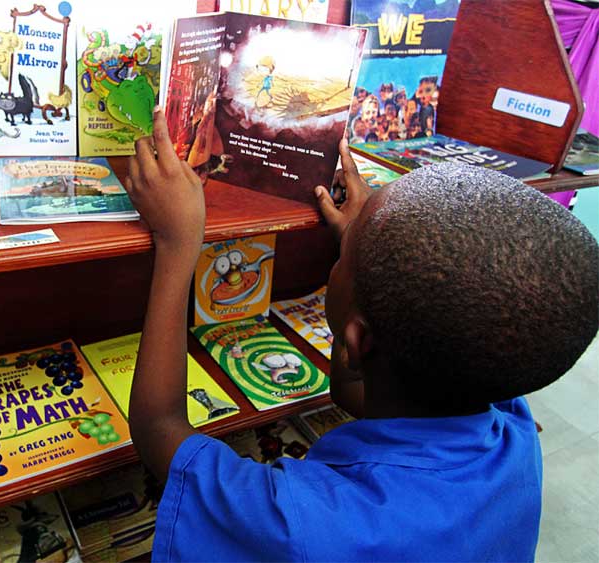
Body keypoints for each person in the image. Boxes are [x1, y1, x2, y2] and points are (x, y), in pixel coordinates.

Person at [122, 107, 599, 561]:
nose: (343, 250)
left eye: (343, 259)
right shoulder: (512, 428)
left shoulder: (297, 526)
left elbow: (158, 426)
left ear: (357, 342)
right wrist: (370, 251)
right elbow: (353, 389)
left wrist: (178, 241)